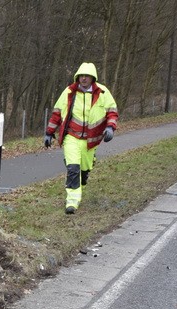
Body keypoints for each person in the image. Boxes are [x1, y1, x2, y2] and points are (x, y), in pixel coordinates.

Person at [43, 63, 119, 214]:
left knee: (84, 171)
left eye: (87, 76)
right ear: (77, 77)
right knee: (73, 168)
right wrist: (49, 132)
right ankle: (72, 202)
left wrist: (110, 127)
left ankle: (81, 183)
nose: (83, 79)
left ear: (93, 78)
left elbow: (112, 111)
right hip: (71, 136)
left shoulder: (103, 92)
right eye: (81, 76)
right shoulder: (69, 92)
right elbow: (57, 113)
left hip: (91, 140)